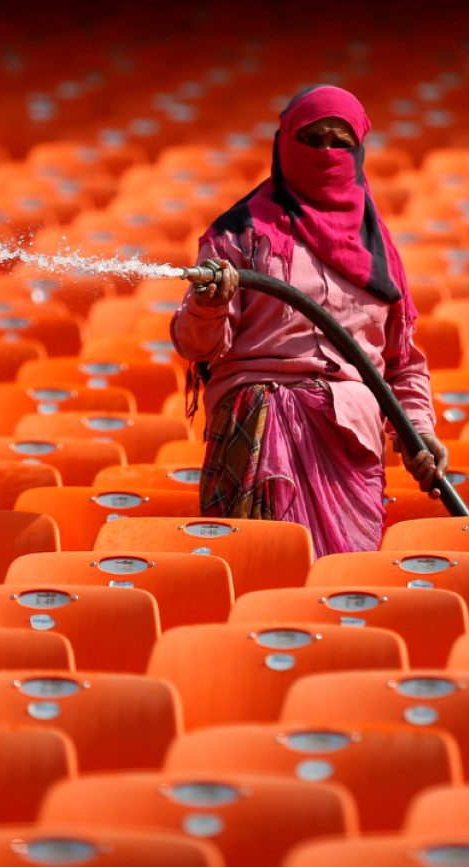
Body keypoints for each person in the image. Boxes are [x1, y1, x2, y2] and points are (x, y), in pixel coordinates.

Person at [169, 84, 448, 558]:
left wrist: (418, 429)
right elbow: (196, 347)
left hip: (350, 444)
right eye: (312, 138)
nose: (326, 152)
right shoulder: (239, 233)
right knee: (266, 577)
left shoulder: (377, 249)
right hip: (260, 429)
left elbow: (401, 363)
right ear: (283, 144)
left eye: (339, 141)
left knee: (347, 586)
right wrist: (209, 304)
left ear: (358, 151)